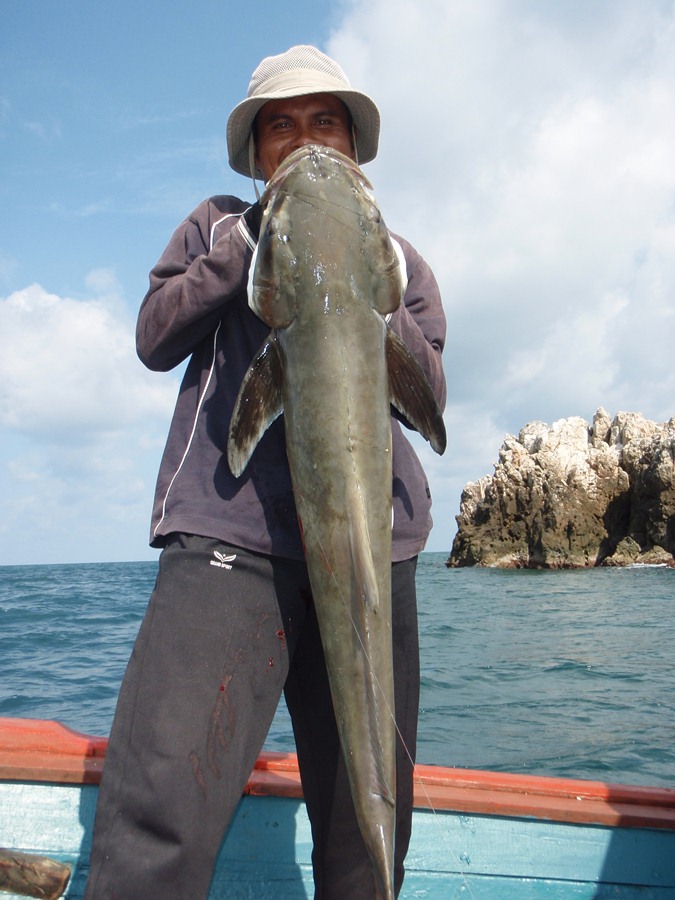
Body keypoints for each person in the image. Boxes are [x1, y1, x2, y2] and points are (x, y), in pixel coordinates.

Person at [85, 45, 446, 900]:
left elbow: (427, 397)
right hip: (227, 544)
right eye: (280, 126)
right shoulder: (216, 225)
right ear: (254, 154)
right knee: (161, 803)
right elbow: (154, 336)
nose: (305, 139)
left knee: (369, 826)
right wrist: (253, 245)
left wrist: (370, 293)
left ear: (355, 146)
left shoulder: (401, 263)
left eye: (326, 122)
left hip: (374, 551)